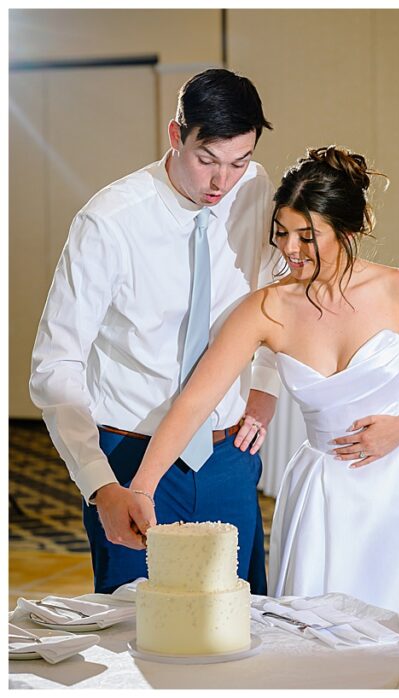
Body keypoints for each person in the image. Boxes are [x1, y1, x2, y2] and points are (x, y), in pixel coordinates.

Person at [125, 146, 399, 689]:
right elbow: (194, 402)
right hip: (324, 493)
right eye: (282, 232)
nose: (290, 249)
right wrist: (142, 486)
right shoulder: (268, 307)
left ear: (347, 231)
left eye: (308, 236)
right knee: (319, 646)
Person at [30, 69, 279, 595]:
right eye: (206, 159)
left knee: (243, 628)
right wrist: (100, 486)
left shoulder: (255, 187)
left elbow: (279, 293)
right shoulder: (109, 221)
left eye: (238, 162)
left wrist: (266, 386)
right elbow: (56, 365)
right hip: (128, 458)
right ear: (175, 135)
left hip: (227, 454)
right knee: (136, 636)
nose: (221, 182)